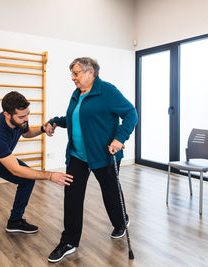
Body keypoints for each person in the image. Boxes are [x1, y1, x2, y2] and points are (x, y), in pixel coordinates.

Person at [0, 91, 73, 260]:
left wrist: (42, 128)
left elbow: (26, 133)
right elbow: (15, 170)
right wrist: (49, 175)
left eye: (28, 115)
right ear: (7, 114)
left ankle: (15, 221)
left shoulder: (18, 120)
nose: (26, 119)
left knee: (28, 180)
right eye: (21, 117)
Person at [45, 57, 138, 263]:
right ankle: (69, 241)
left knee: (110, 193)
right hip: (77, 155)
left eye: (76, 73)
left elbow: (131, 113)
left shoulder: (107, 91)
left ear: (90, 72)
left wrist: (119, 138)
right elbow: (75, 118)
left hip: (104, 154)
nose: (73, 78)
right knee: (72, 196)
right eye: (72, 74)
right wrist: (54, 122)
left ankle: (120, 222)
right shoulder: (77, 93)